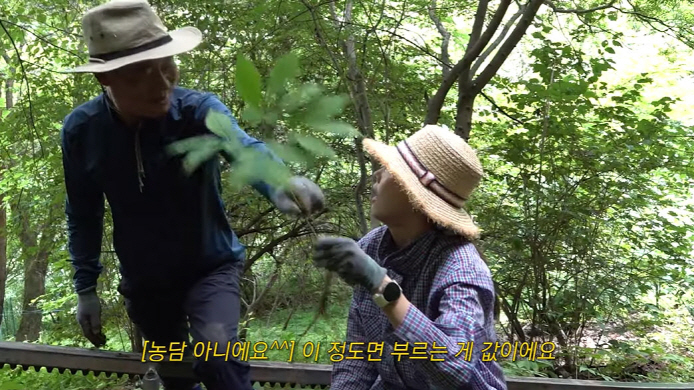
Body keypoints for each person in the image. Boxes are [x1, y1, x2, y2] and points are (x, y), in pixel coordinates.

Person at [59, 1, 324, 389]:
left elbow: (244, 148)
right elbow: (83, 212)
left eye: (167, 66)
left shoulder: (198, 112)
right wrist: (86, 287)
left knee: (220, 360)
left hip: (210, 266)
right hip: (145, 281)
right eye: (140, 75)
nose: (162, 83)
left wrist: (281, 183)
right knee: (176, 376)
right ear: (106, 79)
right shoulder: (82, 131)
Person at [313, 124, 507, 389]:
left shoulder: (462, 269)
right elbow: (357, 356)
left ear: (416, 196)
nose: (377, 175)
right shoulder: (372, 246)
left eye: (390, 169)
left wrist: (382, 287)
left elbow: (456, 368)